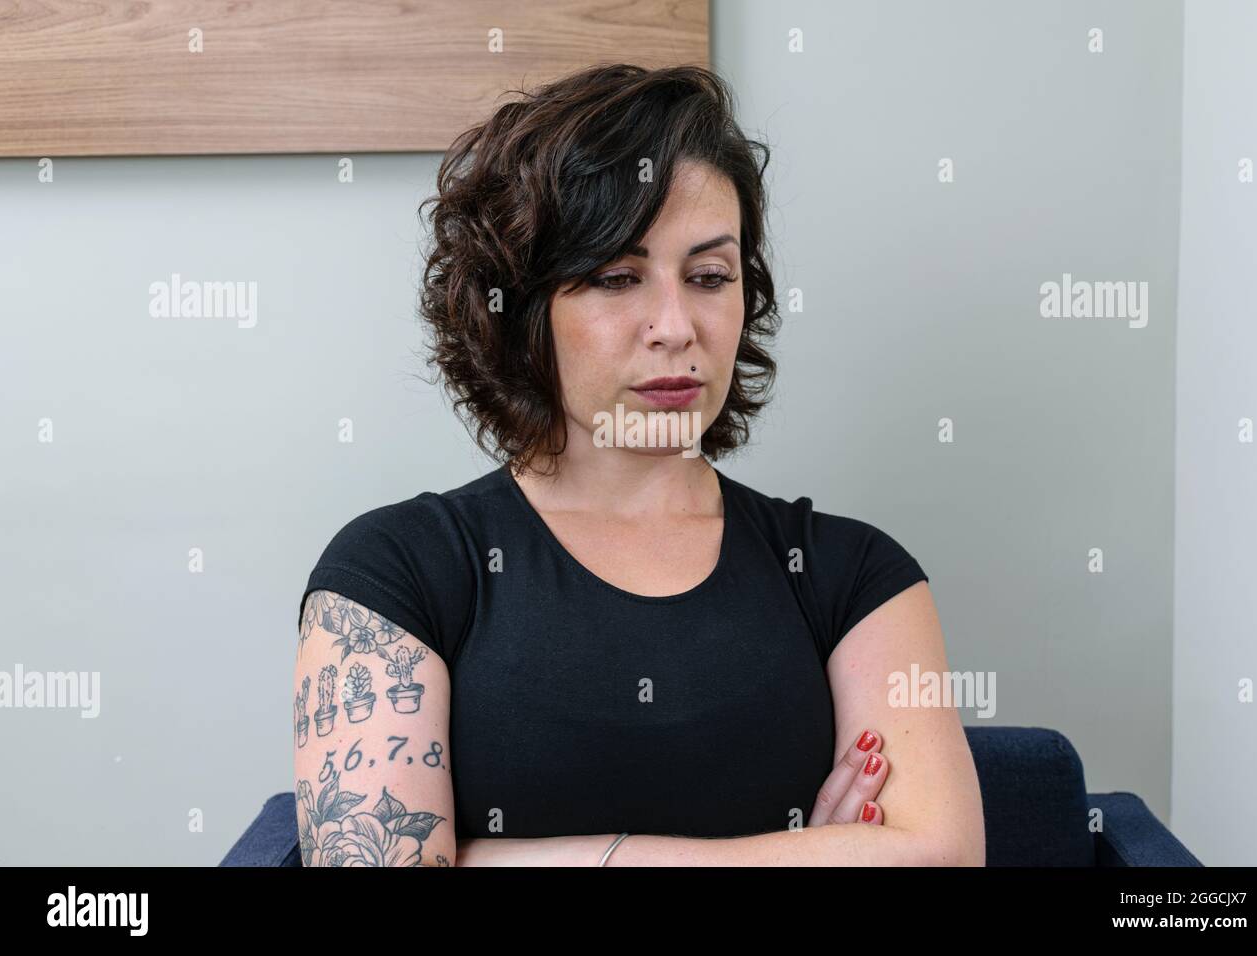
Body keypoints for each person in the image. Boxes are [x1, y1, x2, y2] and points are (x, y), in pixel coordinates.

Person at [293, 63, 984, 867]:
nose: (674, 325)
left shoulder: (853, 573)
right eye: (617, 277)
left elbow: (943, 857)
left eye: (709, 277)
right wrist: (808, 855)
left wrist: (496, 856)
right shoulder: (396, 569)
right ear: (522, 310)